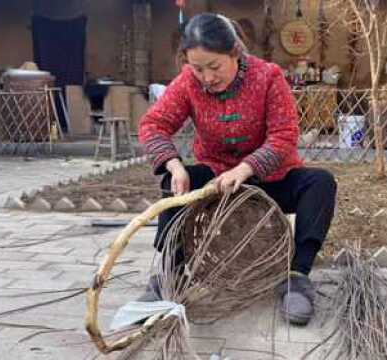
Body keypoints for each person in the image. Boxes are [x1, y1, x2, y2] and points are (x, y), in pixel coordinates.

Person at [137, 13, 336, 326]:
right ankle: (169, 275)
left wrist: (245, 169)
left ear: (235, 52)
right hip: (217, 181)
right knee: (173, 183)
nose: (207, 77)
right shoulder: (189, 82)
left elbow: (284, 136)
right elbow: (153, 124)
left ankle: (297, 276)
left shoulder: (268, 76)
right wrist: (175, 166)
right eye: (198, 68)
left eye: (214, 66)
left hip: (269, 179)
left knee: (320, 183)